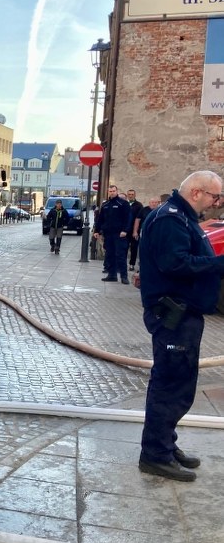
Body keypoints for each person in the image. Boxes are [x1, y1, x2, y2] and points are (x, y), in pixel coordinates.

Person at [137, 171, 224, 482]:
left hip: (183, 315)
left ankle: (165, 445)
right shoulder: (170, 219)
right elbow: (175, 264)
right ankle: (155, 455)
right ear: (197, 192)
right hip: (173, 316)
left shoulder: (181, 217)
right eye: (215, 197)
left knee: (180, 386)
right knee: (169, 386)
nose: (218, 203)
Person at [93, 185, 132, 284]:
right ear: (108, 192)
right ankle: (112, 275)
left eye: (113, 191)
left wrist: (125, 230)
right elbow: (101, 219)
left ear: (117, 191)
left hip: (120, 234)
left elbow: (128, 219)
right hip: (108, 234)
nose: (112, 193)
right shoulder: (106, 204)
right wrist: (97, 231)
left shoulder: (123, 203)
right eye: (110, 191)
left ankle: (124, 276)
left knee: (120, 255)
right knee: (109, 255)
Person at [126, 189, 144, 271]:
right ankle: (123, 263)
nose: (130, 195)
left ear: (135, 195)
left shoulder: (139, 205)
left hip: (134, 230)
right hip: (125, 230)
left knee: (134, 248)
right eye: (129, 194)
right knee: (124, 247)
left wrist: (136, 231)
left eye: (132, 194)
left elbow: (139, 218)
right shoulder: (124, 204)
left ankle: (132, 264)